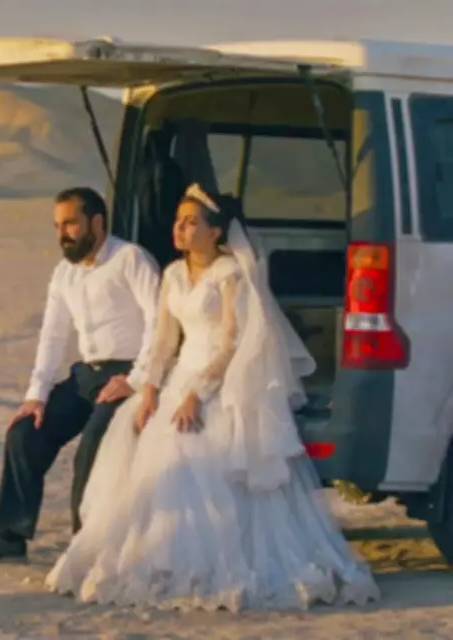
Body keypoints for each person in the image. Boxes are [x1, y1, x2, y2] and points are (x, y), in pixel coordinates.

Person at [44, 183, 380, 612]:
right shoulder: (172, 274)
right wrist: (150, 390)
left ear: (215, 232)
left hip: (220, 382)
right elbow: (163, 341)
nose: (180, 229)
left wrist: (198, 395)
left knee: (195, 447)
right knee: (140, 440)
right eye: (178, 221)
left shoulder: (230, 275)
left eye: (190, 222)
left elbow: (230, 344)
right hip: (179, 376)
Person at [0, 187, 161, 565]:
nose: (62, 234)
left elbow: (158, 323)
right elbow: (52, 335)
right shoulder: (64, 273)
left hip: (127, 376)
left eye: (70, 224)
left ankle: (86, 546)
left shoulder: (131, 259)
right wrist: (36, 396)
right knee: (24, 434)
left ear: (96, 223)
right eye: (57, 226)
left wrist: (135, 379)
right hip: (86, 376)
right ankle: (11, 535)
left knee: (92, 449)